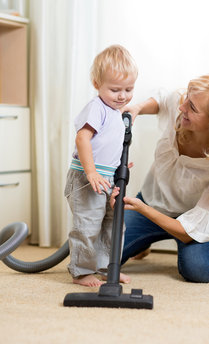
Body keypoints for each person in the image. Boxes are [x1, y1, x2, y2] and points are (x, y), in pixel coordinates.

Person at [114, 71, 209, 283]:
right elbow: (163, 101)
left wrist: (143, 210)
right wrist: (137, 108)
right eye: (187, 98)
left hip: (195, 217)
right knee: (103, 252)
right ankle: (144, 240)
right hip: (155, 201)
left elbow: (189, 231)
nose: (182, 107)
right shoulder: (182, 105)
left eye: (193, 108)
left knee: (198, 270)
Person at [64, 45, 138, 287]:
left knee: (112, 223)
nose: (122, 96)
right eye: (115, 89)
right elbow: (82, 138)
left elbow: (106, 143)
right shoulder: (97, 107)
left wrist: (119, 165)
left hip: (107, 178)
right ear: (96, 83)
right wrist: (92, 172)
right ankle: (81, 271)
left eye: (128, 89)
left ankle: (107, 267)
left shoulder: (117, 112)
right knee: (88, 225)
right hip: (87, 178)